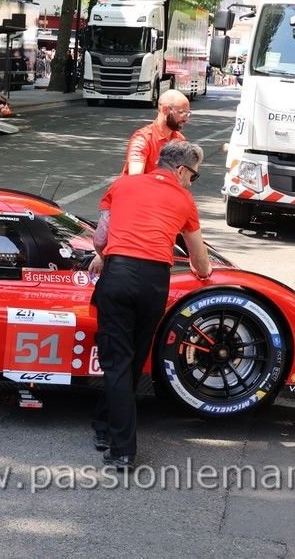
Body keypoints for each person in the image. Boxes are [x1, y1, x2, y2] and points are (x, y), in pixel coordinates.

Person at [87, 141, 213, 469]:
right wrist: (204, 273)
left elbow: (100, 236)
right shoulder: (184, 199)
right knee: (131, 361)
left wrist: (104, 254)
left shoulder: (122, 185)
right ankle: (106, 429)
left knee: (117, 362)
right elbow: (199, 256)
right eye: (193, 176)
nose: (191, 183)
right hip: (154, 281)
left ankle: (121, 447)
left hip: (119, 275)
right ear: (181, 170)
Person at [121, 89, 190, 175]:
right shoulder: (142, 139)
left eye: (187, 114)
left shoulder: (180, 140)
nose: (186, 119)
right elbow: (135, 177)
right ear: (165, 109)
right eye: (181, 112)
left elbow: (182, 176)